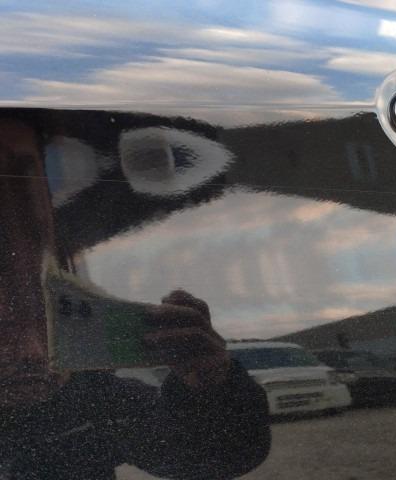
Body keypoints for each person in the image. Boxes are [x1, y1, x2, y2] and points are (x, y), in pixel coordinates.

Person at [0, 115, 271, 479]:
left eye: (26, 185)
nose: (30, 349)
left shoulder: (82, 395)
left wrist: (210, 386)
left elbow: (211, 454)